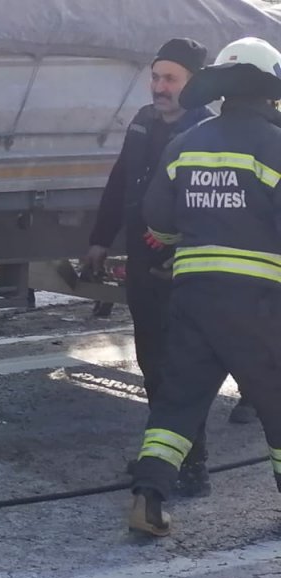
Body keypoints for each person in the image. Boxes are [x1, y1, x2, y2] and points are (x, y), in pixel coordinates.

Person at [129, 37, 281, 537]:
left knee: (178, 403)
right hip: (257, 304)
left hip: (192, 296)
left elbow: (157, 219)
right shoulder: (276, 145)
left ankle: (149, 495)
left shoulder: (186, 142)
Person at [82, 38, 216, 497]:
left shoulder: (207, 131)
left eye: (170, 79)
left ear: (194, 83)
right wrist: (100, 239)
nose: (159, 88)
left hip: (185, 271)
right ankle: (161, 456)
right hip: (143, 264)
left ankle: (193, 466)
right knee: (151, 363)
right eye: (156, 77)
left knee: (182, 369)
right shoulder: (142, 122)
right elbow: (120, 181)